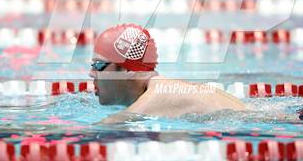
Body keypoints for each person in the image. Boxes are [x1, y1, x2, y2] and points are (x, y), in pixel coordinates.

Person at [89, 24, 247, 124]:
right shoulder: (162, 88)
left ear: (127, 69)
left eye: (98, 65)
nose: (91, 73)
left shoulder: (157, 97)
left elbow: (101, 130)